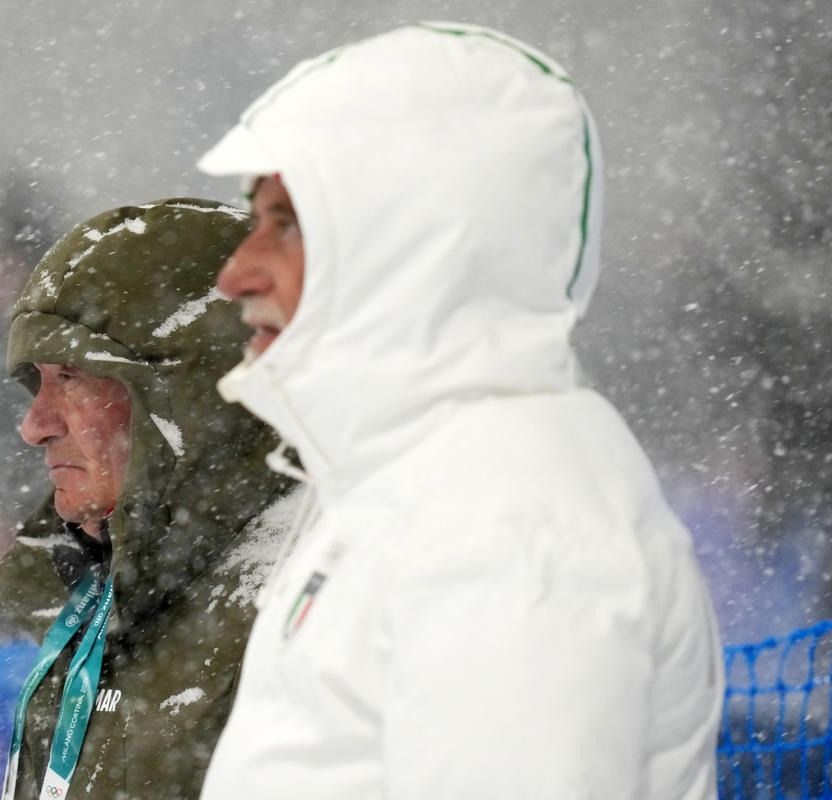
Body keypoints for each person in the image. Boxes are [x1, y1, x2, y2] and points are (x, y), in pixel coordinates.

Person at [196, 23, 723, 799]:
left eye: (291, 225)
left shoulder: (507, 529)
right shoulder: (413, 485)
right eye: (256, 222)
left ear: (413, 247)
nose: (236, 273)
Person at [0, 198, 297, 799]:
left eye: (70, 377)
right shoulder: (107, 596)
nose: (33, 425)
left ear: (190, 397)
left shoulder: (296, 608)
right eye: (38, 382)